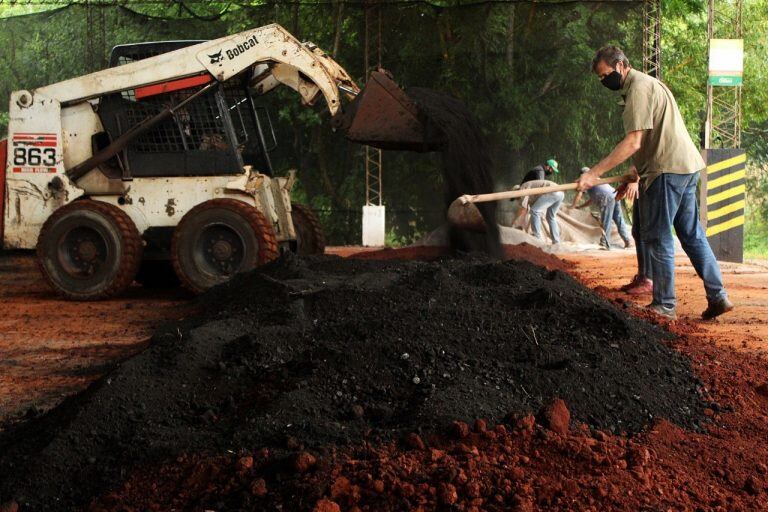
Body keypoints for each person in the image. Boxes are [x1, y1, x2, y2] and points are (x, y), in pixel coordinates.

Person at [577, 45, 733, 320]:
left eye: (606, 75)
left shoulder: (638, 88)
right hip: (685, 166)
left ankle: (665, 304)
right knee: (692, 234)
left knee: (658, 235)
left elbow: (634, 141)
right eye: (600, 78)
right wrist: (635, 173)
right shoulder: (648, 85)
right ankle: (718, 296)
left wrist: (594, 174)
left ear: (622, 65)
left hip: (667, 171)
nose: (604, 81)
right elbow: (653, 136)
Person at [576, 166, 632, 250]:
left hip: (607, 198)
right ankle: (627, 241)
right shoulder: (596, 180)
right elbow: (591, 200)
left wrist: (572, 206)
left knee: (606, 221)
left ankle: (605, 243)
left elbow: (579, 194)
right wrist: (580, 206)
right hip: (614, 194)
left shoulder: (587, 182)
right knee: (619, 219)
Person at [516, 179, 563, 244]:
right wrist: (527, 229)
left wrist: (515, 224)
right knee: (550, 217)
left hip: (552, 191)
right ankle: (556, 242)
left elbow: (524, 210)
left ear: (516, 192)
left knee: (535, 211)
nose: (516, 200)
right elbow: (531, 213)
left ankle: (537, 239)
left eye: (515, 198)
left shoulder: (522, 189)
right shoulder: (531, 194)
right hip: (560, 193)